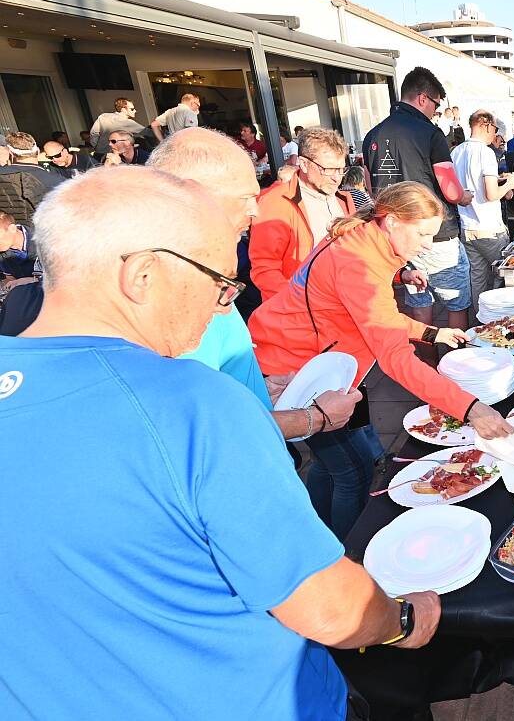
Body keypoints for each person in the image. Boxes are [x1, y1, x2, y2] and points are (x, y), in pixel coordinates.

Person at [1, 166, 443, 721]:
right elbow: (329, 609)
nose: (224, 305)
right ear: (142, 276)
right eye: (219, 282)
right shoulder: (193, 402)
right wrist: (405, 619)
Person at [249, 182, 513, 537]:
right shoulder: (360, 264)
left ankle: (317, 531)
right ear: (390, 221)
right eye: (421, 234)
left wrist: (432, 333)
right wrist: (472, 409)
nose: (426, 244)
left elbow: (376, 318)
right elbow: (395, 359)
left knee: (331, 467)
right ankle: (344, 555)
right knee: (353, 470)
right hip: (298, 371)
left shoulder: (365, 239)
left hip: (322, 365)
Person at [148, 126, 360, 443]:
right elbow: (202, 427)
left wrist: (263, 392)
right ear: (194, 194)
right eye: (247, 198)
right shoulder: (171, 293)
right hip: (300, 333)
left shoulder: (202, 275)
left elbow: (225, 384)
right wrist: (312, 419)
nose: (255, 209)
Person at [362, 66, 474, 335]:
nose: (435, 112)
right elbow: (450, 190)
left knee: (419, 302)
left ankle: (425, 362)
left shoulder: (372, 135)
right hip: (435, 235)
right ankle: (454, 363)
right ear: (423, 98)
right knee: (456, 303)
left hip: (396, 237)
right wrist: (465, 196)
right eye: (435, 106)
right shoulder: (430, 134)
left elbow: (369, 186)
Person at [251, 127, 357, 302]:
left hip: (342, 304)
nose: (336, 178)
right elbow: (265, 269)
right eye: (328, 169)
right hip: (300, 312)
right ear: (304, 164)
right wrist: (298, 303)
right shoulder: (275, 202)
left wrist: (400, 274)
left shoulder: (343, 199)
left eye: (341, 169)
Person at [453, 110, 514, 318]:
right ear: (485, 125)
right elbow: (491, 194)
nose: (495, 134)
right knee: (505, 275)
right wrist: (510, 183)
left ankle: (480, 320)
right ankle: (503, 320)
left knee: (477, 278)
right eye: (494, 129)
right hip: (489, 226)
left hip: (467, 226)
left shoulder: (456, 152)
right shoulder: (485, 152)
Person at [0, 133, 65, 221]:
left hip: (9, 230)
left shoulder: (3, 174)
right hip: (43, 230)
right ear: (38, 151)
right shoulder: (56, 181)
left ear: (11, 153)